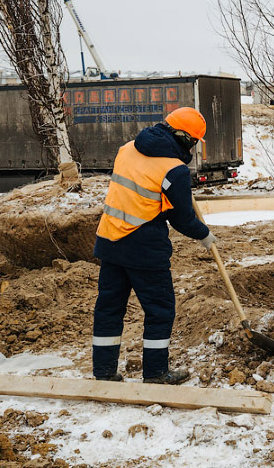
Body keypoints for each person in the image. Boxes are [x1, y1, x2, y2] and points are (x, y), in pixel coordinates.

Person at [91, 107, 217, 384]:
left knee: (109, 308)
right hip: (143, 248)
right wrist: (204, 234)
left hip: (109, 240)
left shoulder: (126, 149)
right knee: (160, 309)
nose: (195, 146)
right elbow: (182, 219)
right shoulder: (174, 170)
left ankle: (104, 372)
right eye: (194, 141)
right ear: (184, 137)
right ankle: (156, 373)